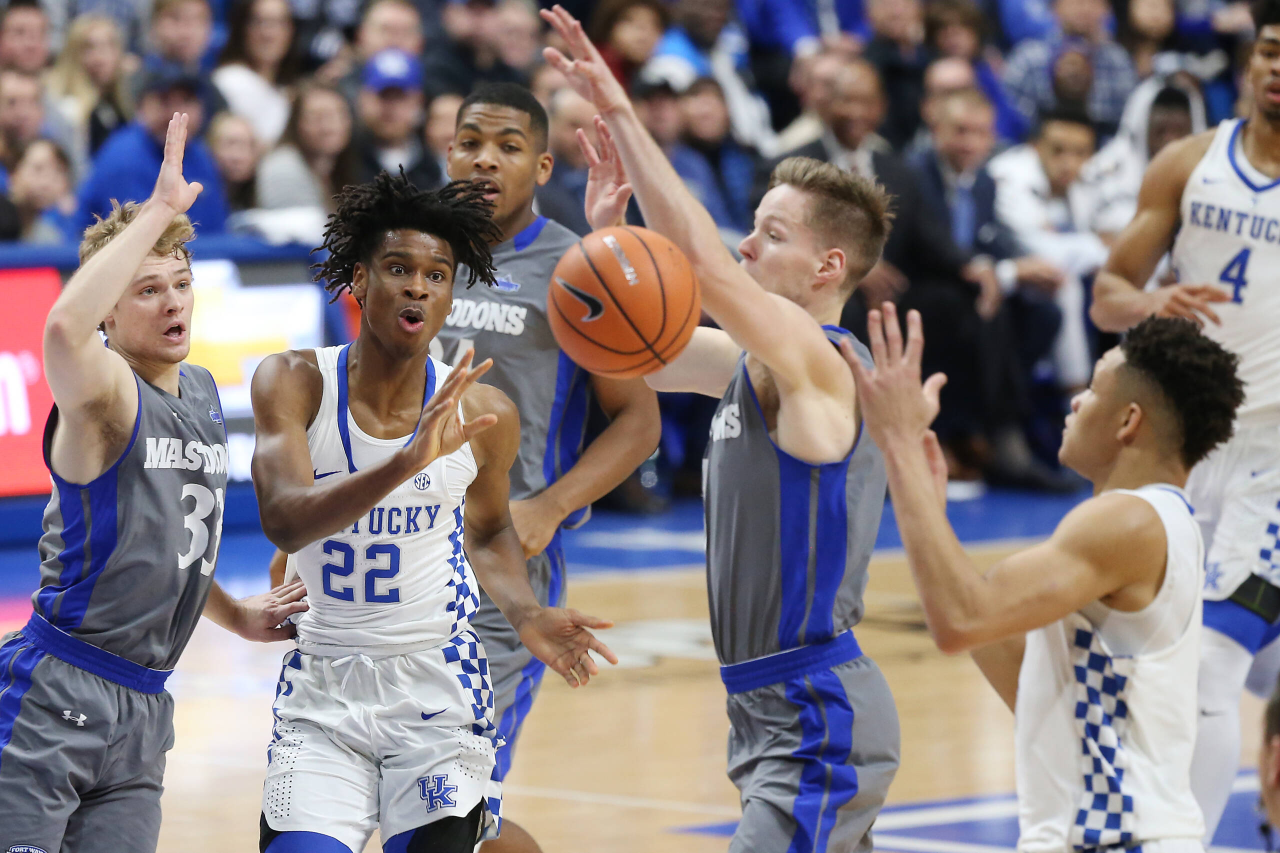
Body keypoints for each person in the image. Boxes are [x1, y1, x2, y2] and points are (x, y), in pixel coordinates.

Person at [544, 7, 900, 849]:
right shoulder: (756, 363)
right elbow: (643, 357)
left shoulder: (820, 364)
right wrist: (608, 237)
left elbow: (699, 264)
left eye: (770, 234)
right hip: (768, 706)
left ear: (827, 267)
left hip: (815, 712)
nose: (746, 245)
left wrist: (623, 114)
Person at [250, 170, 618, 853]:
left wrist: (526, 611)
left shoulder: (483, 412)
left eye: (437, 274)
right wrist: (403, 462)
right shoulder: (295, 381)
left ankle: (485, 830)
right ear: (359, 281)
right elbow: (285, 518)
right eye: (398, 268)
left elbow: (487, 530)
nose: (418, 285)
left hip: (435, 684)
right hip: (325, 681)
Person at [0, 112, 308, 853]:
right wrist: (161, 210)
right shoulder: (105, 393)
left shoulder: (201, 390)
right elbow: (62, 332)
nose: (173, 301)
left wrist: (237, 617)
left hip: (144, 709)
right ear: (110, 309)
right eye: (146, 290)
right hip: (56, 692)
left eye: (181, 282)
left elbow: (173, 542)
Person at [846, 302, 1241, 850]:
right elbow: (1016, 668)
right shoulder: (1159, 522)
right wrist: (926, 510)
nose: (1075, 400)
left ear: (1129, 421)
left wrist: (898, 444)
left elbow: (961, 619)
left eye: (1095, 390)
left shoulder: (1126, 521)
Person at [436, 80, 661, 853]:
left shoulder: (577, 265)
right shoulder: (413, 253)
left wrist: (551, 505)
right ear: (449, 152)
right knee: (404, 802)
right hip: (393, 554)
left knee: (453, 810)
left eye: (507, 147)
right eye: (470, 142)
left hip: (502, 560)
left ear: (540, 166)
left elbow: (639, 421)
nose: (484, 161)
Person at [1090, 0, 1280, 837]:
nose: (1278, 69)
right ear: (1250, 61)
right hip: (1186, 448)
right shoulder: (1186, 164)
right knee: (1159, 664)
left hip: (1276, 463)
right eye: (1271, 51)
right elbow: (1107, 293)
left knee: (1208, 669)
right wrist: (1154, 299)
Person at [989, 107, 1103, 393]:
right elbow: (1048, 251)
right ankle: (1074, 397)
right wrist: (1103, 249)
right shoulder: (1008, 174)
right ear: (1035, 146)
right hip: (1004, 270)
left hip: (1048, 272)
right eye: (1059, 151)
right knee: (1062, 281)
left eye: (1080, 153)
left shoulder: (1087, 181)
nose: (1069, 163)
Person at [76, 63, 228, 234]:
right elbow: (133, 241)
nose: (175, 112)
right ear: (141, 107)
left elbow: (217, 230)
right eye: (164, 100)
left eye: (186, 101)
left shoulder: (200, 154)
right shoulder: (124, 157)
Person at [1002, 0, 1138, 134]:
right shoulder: (1028, 59)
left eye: (1094, 2)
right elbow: (1011, 124)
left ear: (1108, 10)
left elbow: (1127, 127)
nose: (1085, 8)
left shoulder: (1118, 63)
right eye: (1076, 1)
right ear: (1054, 6)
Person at [212, 0, 302, 147]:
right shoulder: (228, 81)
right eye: (258, 22)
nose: (268, 33)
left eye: (279, 23)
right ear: (242, 28)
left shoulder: (288, 91)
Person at [256, 80, 356, 213]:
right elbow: (303, 231)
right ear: (296, 123)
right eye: (317, 117)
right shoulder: (283, 169)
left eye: (338, 114)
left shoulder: (339, 168)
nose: (329, 127)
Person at [46, 14, 134, 158]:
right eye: (90, 47)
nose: (101, 56)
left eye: (109, 45)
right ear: (74, 55)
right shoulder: (68, 109)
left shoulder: (122, 106)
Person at [354, 48, 441, 190]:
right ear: (363, 99)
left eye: (400, 97)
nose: (391, 107)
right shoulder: (344, 161)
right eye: (383, 96)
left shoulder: (434, 166)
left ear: (419, 101)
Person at [9, 137, 76, 242]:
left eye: (57, 172)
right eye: (38, 169)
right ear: (14, 172)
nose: (46, 183)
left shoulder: (52, 231)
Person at [207, 111, 260, 211]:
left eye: (246, 145)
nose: (237, 156)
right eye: (229, 144)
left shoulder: (261, 191)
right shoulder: (201, 194)